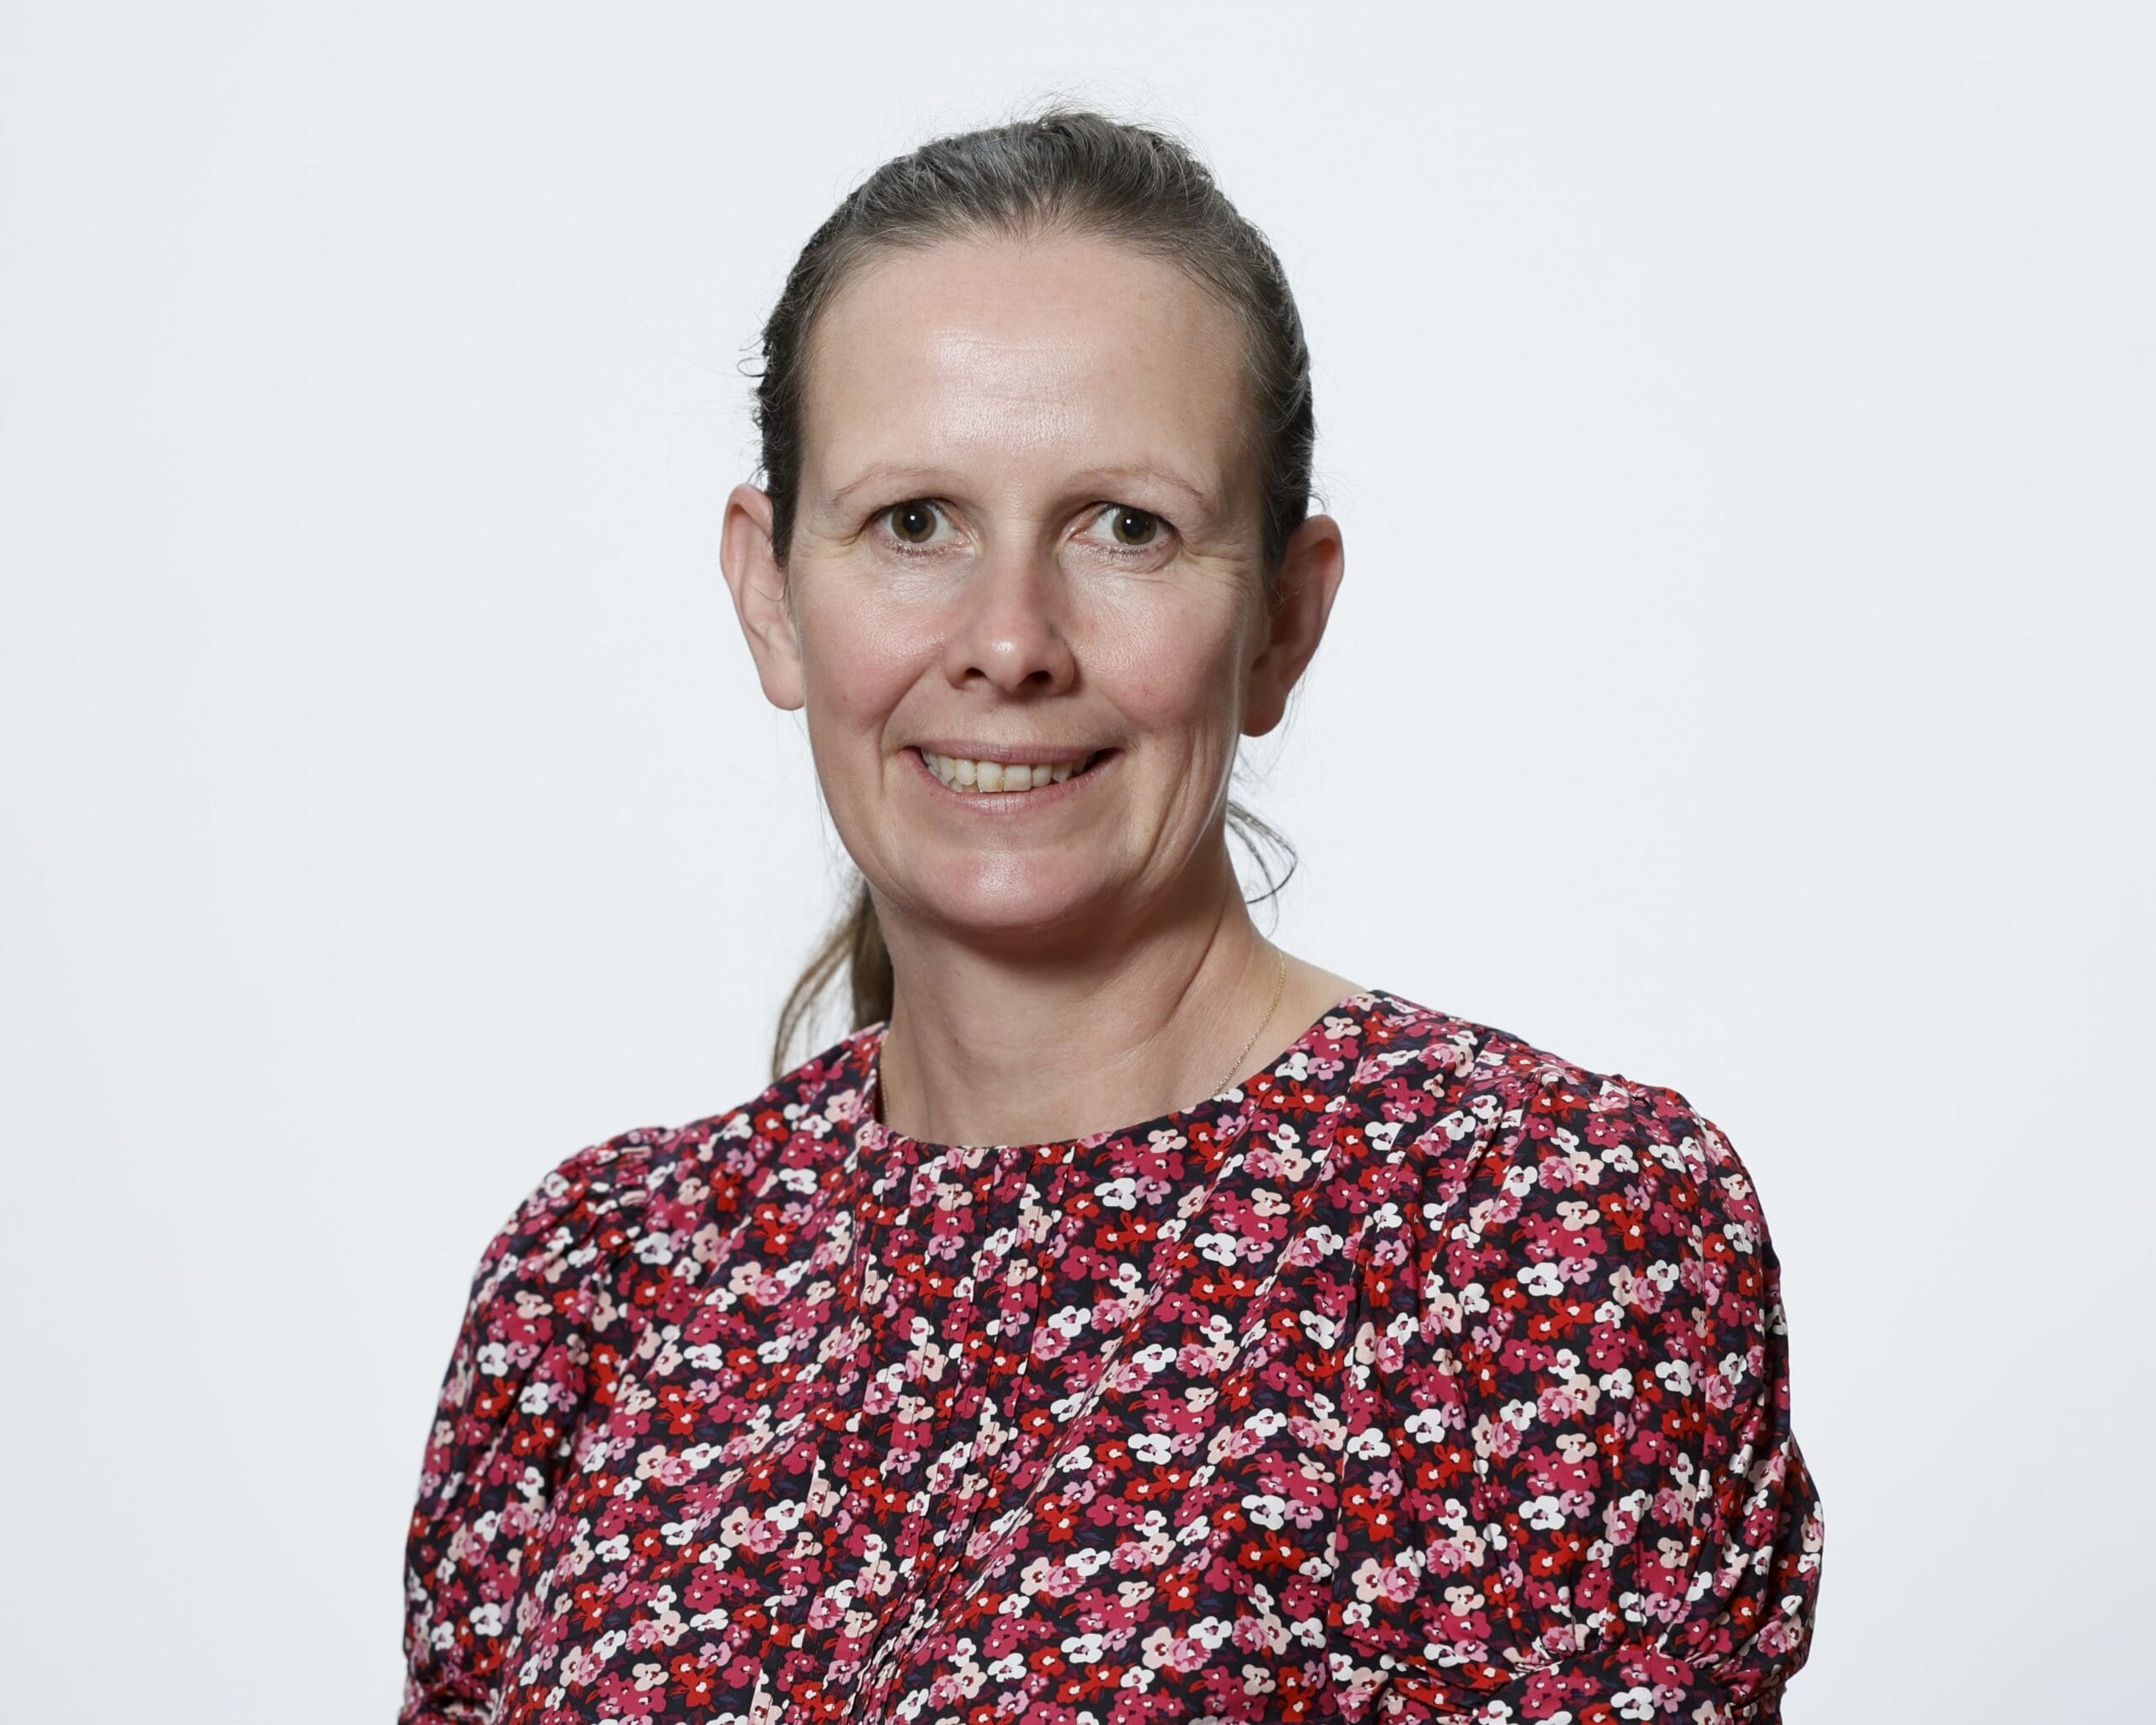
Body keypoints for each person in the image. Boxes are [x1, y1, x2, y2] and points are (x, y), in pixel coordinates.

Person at [398, 109, 1823, 1724]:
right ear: (772, 592)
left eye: (1124, 527)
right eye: (914, 522)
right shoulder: (597, 1284)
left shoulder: (1547, 1242)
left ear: (1282, 620)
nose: (1010, 641)